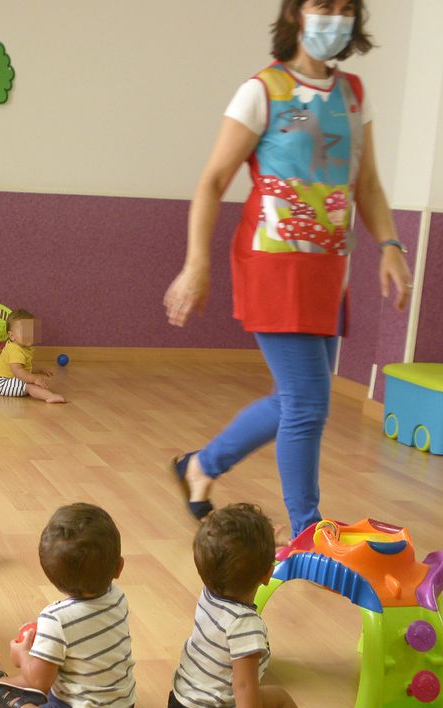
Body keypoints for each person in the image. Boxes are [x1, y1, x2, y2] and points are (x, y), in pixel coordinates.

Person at [164, 0, 410, 537]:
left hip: (327, 271)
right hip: (272, 267)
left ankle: (201, 466)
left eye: (347, 8)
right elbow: (212, 181)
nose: (336, 16)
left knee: (296, 399)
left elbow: (366, 184)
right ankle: (306, 532)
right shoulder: (263, 90)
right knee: (307, 405)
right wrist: (196, 263)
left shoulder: (353, 95)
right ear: (298, 14)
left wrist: (390, 243)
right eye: (325, 5)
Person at [165, 503, 366, 708]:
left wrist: (259, 547)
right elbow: (245, 686)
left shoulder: (212, 587)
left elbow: (227, 553)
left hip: (230, 705)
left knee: (279, 698)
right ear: (267, 574)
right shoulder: (244, 625)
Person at [0, 503, 136, 708]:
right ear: (119, 567)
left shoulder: (56, 618)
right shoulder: (117, 597)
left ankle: (9, 695)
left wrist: (22, 654)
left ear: (53, 578)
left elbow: (39, 680)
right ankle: (3, 685)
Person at [0, 310, 65, 403]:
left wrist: (39, 370)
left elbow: (26, 364)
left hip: (9, 379)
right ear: (12, 336)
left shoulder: (23, 347)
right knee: (29, 385)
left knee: (34, 383)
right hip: (1, 383)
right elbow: (18, 371)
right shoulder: (14, 350)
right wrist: (34, 379)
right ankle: (49, 396)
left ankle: (42, 392)